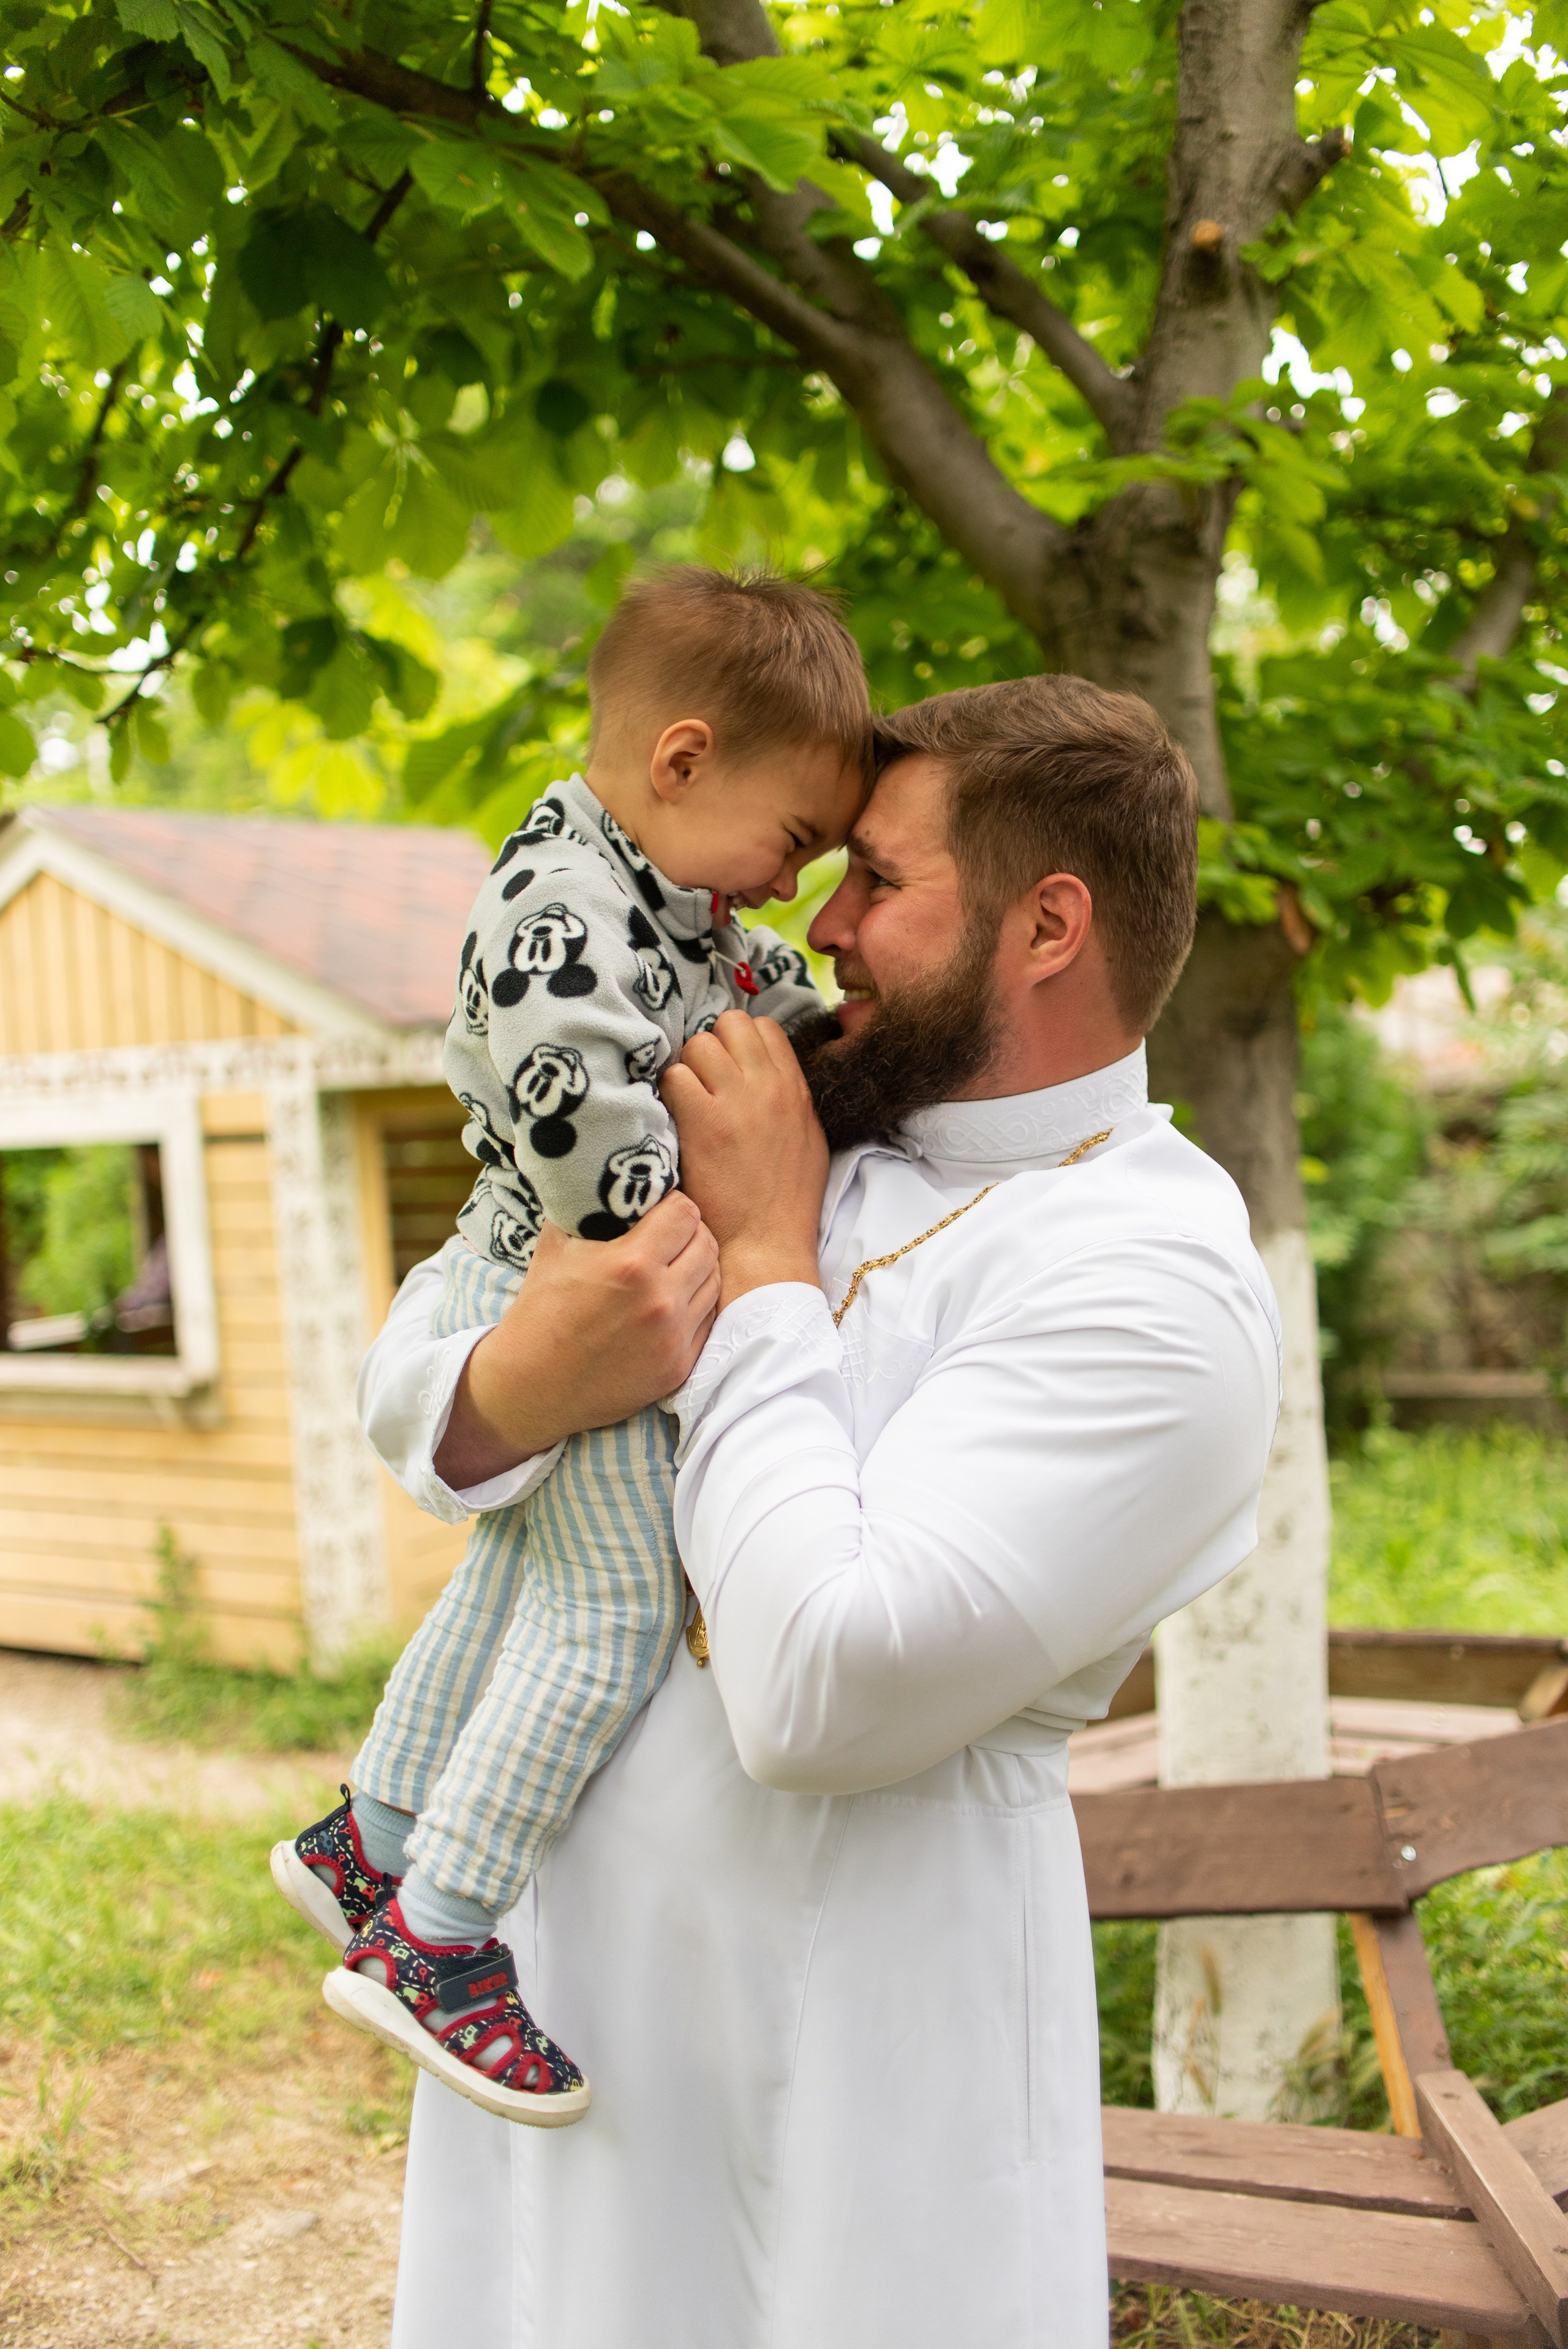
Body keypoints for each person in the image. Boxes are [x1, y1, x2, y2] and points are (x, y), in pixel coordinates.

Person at [359, 673, 1283, 2348]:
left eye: (880, 878)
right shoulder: (800, 1097)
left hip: (855, 2025)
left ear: (1048, 924)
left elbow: (820, 1687)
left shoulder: (1158, 1282)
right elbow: (420, 1381)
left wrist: (771, 1258)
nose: (819, 918)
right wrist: (514, 1394)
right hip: (557, 1995)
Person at [270, 567, 869, 2124]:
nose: (788, 892)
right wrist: (710, 1208)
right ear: (681, 760)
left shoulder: (649, 889)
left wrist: (811, 1023)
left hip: (556, 1279)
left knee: (517, 1580)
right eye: (792, 844)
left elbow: (737, 989)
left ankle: (372, 1835)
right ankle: (441, 1933)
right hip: (583, 1279)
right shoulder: (555, 910)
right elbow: (577, 1104)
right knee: (610, 1605)